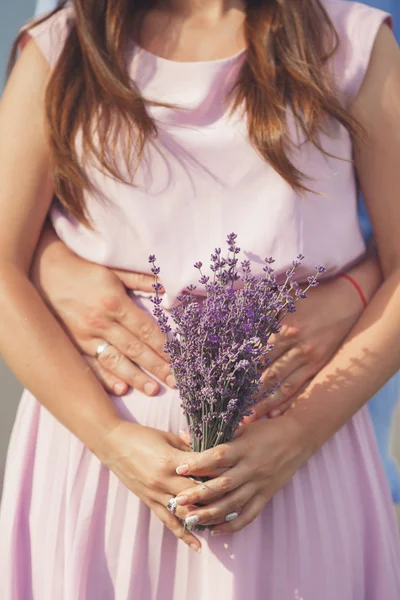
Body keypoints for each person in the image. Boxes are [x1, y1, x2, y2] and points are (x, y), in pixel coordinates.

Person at [0, 0, 400, 598]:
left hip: (298, 463)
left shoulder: (351, 42)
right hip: (100, 464)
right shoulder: (64, 47)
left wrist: (297, 438)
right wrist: (113, 443)